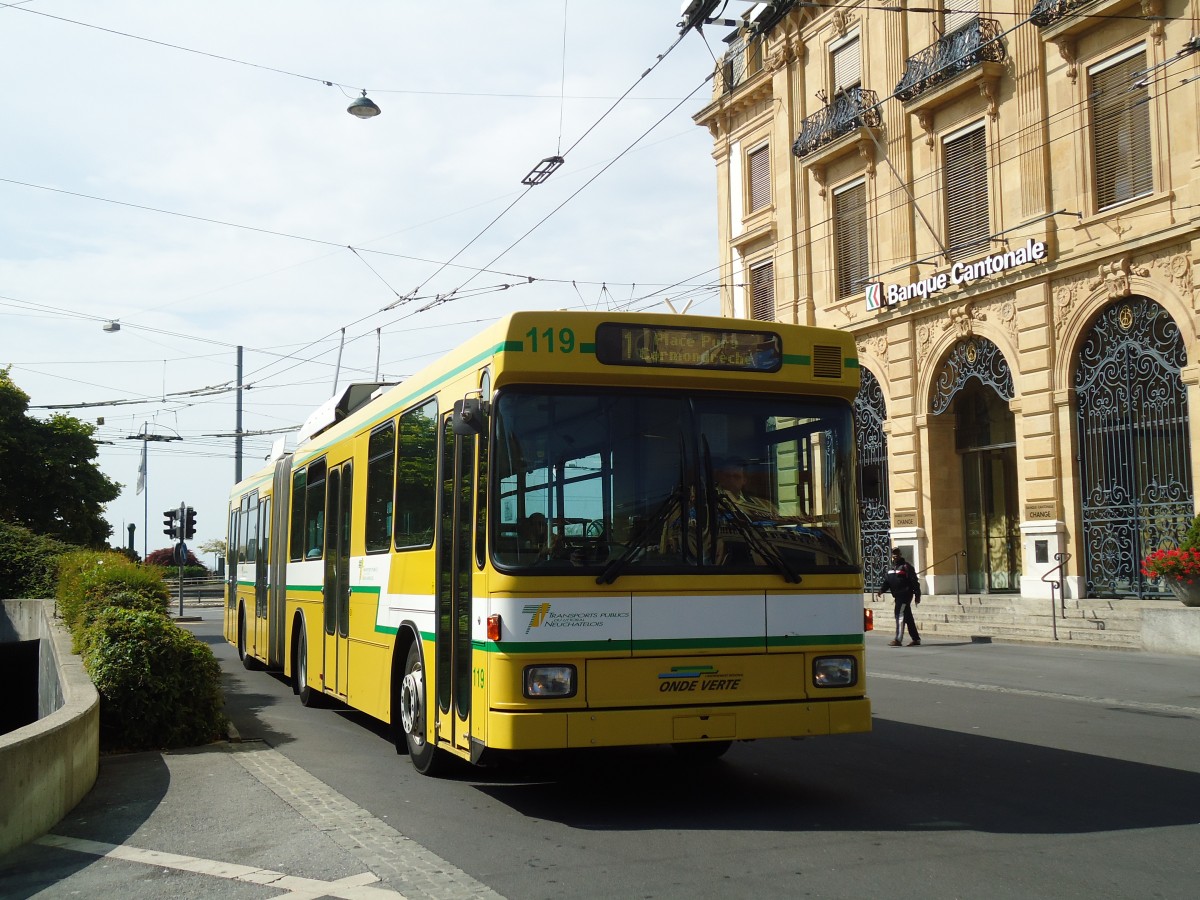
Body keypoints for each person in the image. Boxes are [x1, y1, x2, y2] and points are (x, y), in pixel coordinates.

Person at [875, 547, 922, 646]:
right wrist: (881, 590)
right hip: (897, 596)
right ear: (891, 556)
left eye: (897, 554)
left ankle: (898, 639)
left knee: (899, 614)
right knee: (908, 617)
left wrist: (917, 595)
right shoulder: (891, 569)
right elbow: (887, 582)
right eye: (893, 554)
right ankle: (916, 639)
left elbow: (914, 582)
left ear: (900, 555)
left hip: (905, 595)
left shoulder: (906, 567)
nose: (895, 556)